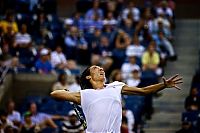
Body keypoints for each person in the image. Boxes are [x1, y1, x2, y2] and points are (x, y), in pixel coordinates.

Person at [51, 65, 182, 132]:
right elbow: (55, 94)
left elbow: (143, 91)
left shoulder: (116, 86)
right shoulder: (84, 94)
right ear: (88, 77)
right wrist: (67, 92)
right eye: (96, 68)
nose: (101, 68)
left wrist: (163, 85)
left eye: (101, 67)